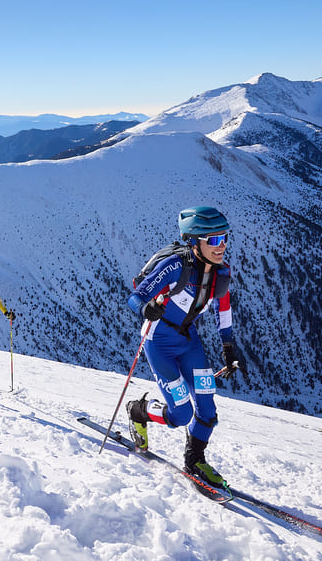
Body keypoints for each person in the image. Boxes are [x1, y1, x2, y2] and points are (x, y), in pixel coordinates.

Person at [124, 206, 248, 489]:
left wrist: (228, 347)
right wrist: (146, 309)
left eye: (225, 238)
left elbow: (223, 309)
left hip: (189, 342)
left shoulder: (221, 273)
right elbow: (136, 296)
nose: (222, 246)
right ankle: (138, 410)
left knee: (207, 408)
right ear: (195, 241)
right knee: (181, 414)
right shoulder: (175, 267)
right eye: (214, 240)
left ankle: (195, 461)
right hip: (160, 343)